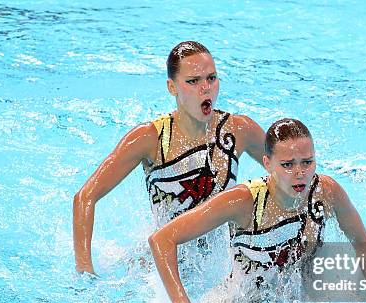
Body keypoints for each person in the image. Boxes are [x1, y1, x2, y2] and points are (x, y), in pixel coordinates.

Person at [149, 118, 366, 303]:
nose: (300, 173)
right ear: (267, 163)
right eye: (287, 165)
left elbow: (363, 243)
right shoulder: (242, 201)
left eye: (307, 162)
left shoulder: (326, 192)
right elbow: (162, 239)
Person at [73, 41, 266, 275]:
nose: (205, 88)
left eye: (211, 78)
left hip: (222, 260)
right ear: (172, 87)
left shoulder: (238, 130)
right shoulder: (150, 139)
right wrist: (85, 271)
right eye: (193, 81)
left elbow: (287, 172)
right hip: (165, 262)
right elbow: (85, 197)